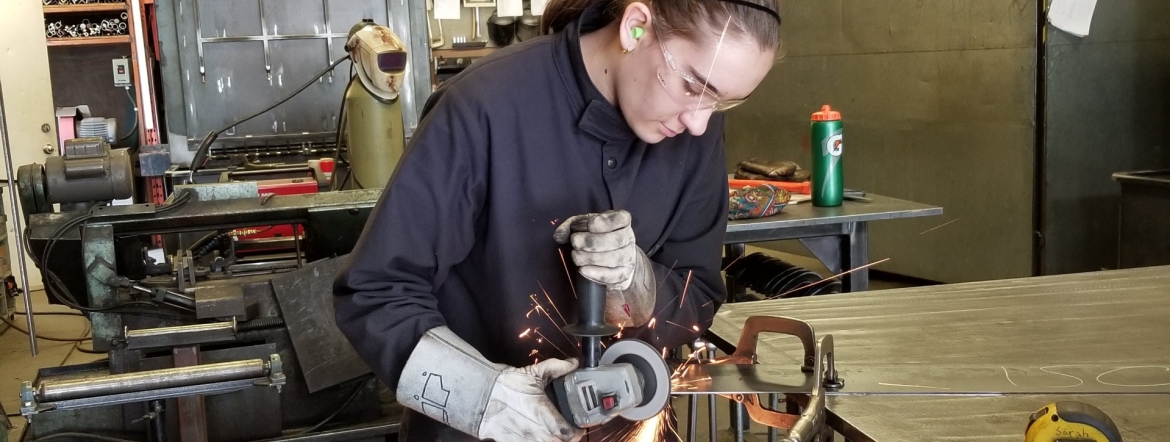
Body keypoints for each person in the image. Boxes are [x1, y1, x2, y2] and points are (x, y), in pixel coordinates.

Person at [333, 0, 781, 438]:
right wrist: (485, 397)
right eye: (693, 85)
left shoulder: (694, 129)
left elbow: (697, 291)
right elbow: (376, 293)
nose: (699, 122)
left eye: (722, 103)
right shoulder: (484, 106)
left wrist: (638, 285)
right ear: (636, 27)